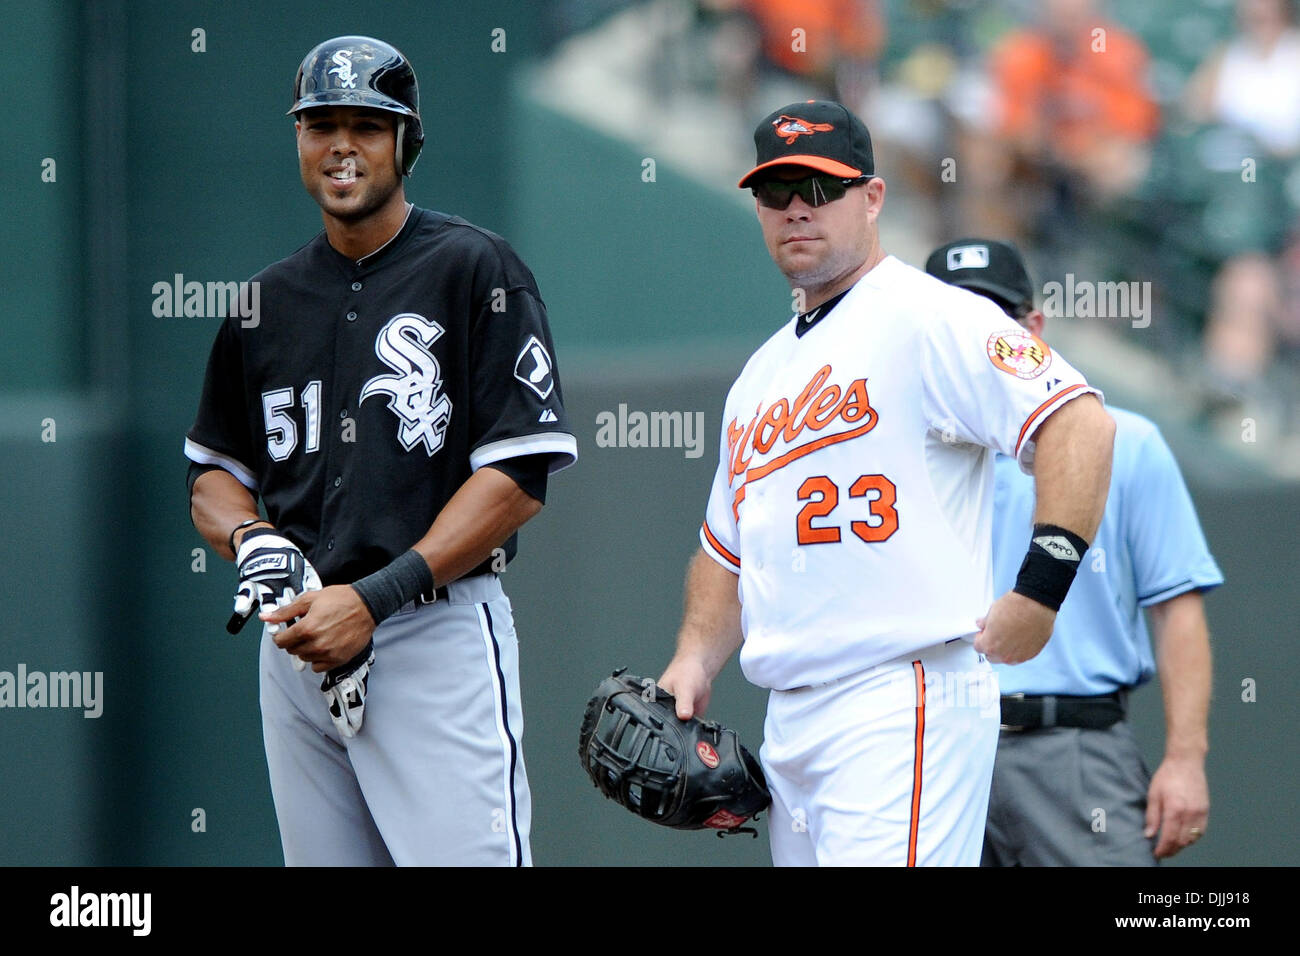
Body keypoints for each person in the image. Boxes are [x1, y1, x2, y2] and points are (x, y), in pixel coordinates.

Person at [657, 100, 1116, 866]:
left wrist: (1041, 588)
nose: (797, 207)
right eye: (777, 191)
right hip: (793, 718)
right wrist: (694, 659)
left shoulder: (933, 317)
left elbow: (1078, 422)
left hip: (901, 693)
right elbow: (723, 550)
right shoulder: (759, 376)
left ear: (871, 198)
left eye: (820, 186)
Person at [183, 36, 577, 866]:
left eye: (367, 125)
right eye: (321, 124)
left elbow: (517, 476)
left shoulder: (476, 269)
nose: (341, 146)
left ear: (407, 142)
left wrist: (374, 597)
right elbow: (215, 473)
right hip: (295, 643)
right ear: (297, 139)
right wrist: (252, 539)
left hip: (430, 633)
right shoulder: (264, 301)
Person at [925, 238, 1222, 866]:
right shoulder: (897, 455)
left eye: (996, 317)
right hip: (932, 746)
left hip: (1073, 747)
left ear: (1034, 327)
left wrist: (1186, 759)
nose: (979, 338)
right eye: (957, 319)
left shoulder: (1128, 440)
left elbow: (1178, 610)